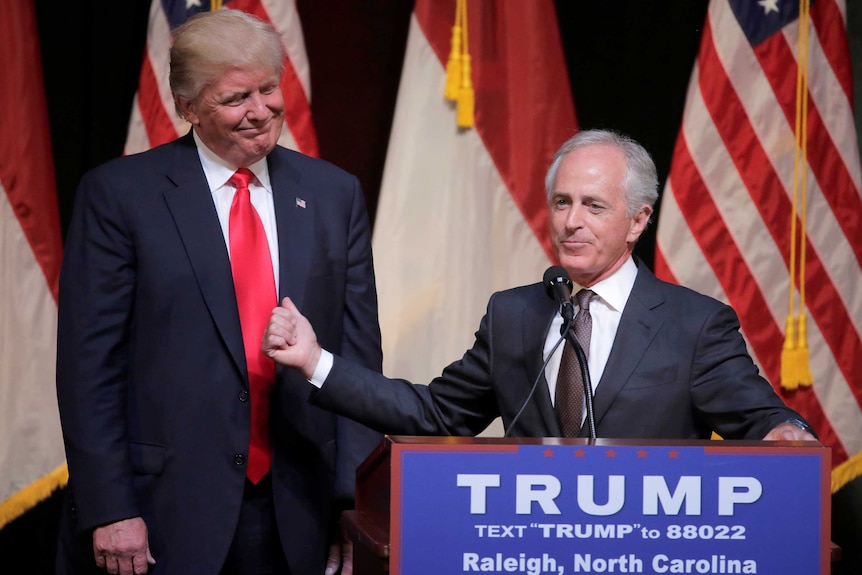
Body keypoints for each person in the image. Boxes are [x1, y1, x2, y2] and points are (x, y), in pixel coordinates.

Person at [55, 9, 382, 575]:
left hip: (299, 511)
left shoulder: (334, 194)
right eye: (235, 98)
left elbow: (356, 359)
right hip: (162, 513)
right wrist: (110, 507)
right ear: (187, 108)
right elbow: (89, 369)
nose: (260, 111)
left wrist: (353, 505)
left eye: (268, 89)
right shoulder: (119, 196)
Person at [262, 129, 816, 445]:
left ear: (638, 221)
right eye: (561, 202)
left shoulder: (694, 325)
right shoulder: (516, 314)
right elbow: (436, 414)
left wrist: (787, 431)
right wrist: (316, 362)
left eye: (594, 206)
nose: (571, 221)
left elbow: (762, 420)